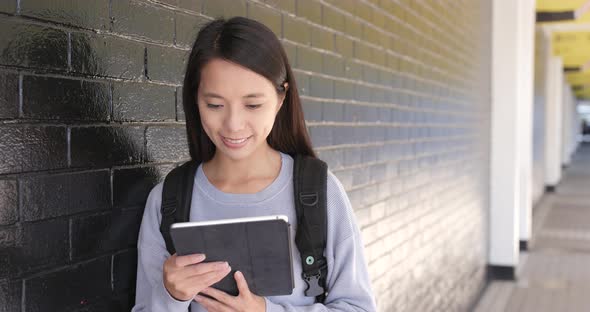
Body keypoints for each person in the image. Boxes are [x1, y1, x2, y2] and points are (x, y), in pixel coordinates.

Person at [132, 16, 377, 312]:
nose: (234, 125)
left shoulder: (319, 192)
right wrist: (171, 296)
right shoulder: (168, 200)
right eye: (215, 105)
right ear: (194, 101)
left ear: (281, 97)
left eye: (252, 105)